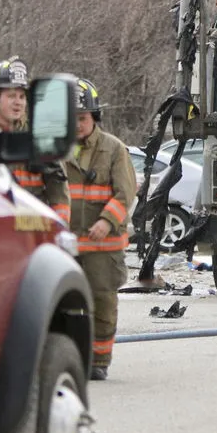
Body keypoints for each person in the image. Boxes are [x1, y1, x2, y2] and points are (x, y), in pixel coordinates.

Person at [64, 77, 136, 381]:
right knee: (65, 305)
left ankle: (99, 360)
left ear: (94, 117)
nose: (78, 125)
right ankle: (70, 358)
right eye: (72, 119)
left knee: (103, 303)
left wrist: (107, 221)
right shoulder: (56, 149)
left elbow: (126, 192)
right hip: (66, 244)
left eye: (82, 118)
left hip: (102, 248)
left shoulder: (114, 149)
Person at [0, 56, 69, 220]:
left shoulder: (41, 139)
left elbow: (59, 192)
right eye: (11, 96)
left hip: (30, 232)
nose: (18, 102)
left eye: (22, 97)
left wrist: (58, 229)